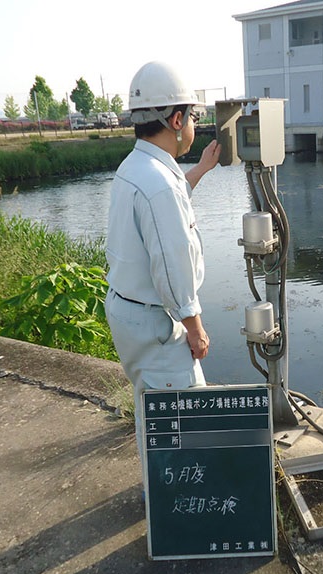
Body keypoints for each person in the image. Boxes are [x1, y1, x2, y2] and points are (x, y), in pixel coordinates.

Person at [104, 61, 222, 468]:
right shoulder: (157, 184)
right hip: (155, 326)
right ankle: (179, 506)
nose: (193, 124)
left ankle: (155, 494)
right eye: (192, 116)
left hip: (128, 314)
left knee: (151, 409)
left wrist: (202, 169)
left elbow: (165, 205)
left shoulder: (135, 169)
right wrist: (196, 328)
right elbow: (172, 269)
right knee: (184, 419)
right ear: (175, 120)